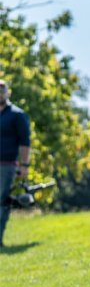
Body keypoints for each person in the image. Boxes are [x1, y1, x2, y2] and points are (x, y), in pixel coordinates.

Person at [0, 79, 32, 248]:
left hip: (6, 165)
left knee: (2, 201)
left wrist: (24, 165)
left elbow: (25, 142)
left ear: (8, 92)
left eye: (2, 89)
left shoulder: (17, 115)